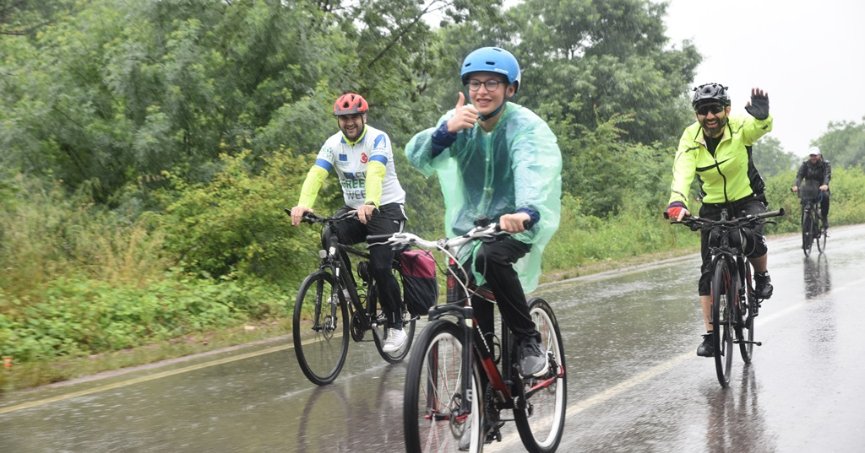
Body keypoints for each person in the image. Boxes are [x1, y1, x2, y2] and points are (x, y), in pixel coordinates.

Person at [405, 47, 562, 379]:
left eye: (492, 83)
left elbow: (530, 168)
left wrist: (524, 212)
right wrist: (446, 131)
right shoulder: (460, 119)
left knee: (491, 256)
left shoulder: (524, 127)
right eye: (475, 83)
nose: (482, 91)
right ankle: (484, 398)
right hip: (469, 228)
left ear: (510, 89)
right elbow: (418, 158)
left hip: (515, 224)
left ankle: (528, 340)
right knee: (468, 306)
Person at [290, 92, 409, 353]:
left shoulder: (378, 138)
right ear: (338, 121)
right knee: (329, 231)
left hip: (386, 208)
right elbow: (316, 174)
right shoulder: (333, 144)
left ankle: (396, 323)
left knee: (380, 266)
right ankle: (346, 291)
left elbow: (376, 171)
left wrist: (371, 202)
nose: (349, 122)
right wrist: (303, 203)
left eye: (354, 116)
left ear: (363, 117)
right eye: (344, 118)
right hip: (355, 209)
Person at [664, 82, 775, 358]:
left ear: (726, 109)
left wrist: (762, 117)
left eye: (715, 109)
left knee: (748, 239)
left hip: (747, 196)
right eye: (703, 111)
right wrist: (678, 202)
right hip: (712, 204)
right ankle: (712, 336)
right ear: (696, 114)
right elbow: (682, 171)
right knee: (706, 269)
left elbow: (757, 130)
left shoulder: (738, 126)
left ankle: (760, 276)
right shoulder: (690, 137)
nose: (710, 116)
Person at [792, 149, 832, 230]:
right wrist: (796, 185)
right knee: (804, 201)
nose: (813, 157)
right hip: (809, 189)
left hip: (821, 188)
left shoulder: (825, 164)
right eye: (811, 156)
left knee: (825, 197)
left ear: (819, 155)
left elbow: (827, 175)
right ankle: (807, 223)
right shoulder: (805, 164)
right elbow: (799, 176)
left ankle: (824, 218)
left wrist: (825, 184)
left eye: (815, 156)